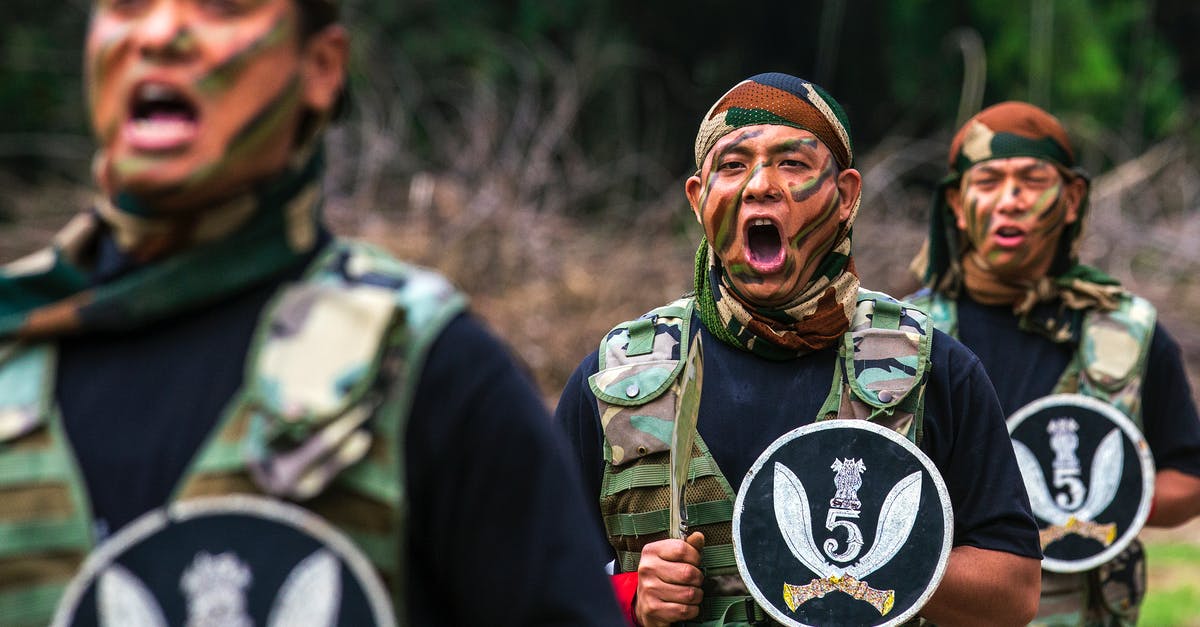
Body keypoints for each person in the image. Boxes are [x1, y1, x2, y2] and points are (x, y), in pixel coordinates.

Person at [0, 1, 623, 625]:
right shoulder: (14, 348)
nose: (160, 34)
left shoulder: (424, 371)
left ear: (321, 67)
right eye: (128, 4)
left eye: (222, 7)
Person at [555, 72, 1041, 627]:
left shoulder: (932, 368)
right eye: (733, 166)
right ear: (698, 198)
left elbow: (1016, 593)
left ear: (846, 197)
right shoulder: (618, 376)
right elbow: (527, 577)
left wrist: (890, 558)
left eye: (794, 165)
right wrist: (628, 597)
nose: (761, 185)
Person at [907, 100, 1200, 625]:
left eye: (1031, 180)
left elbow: (1189, 476)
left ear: (1071, 199)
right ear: (956, 201)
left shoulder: (1128, 332)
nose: (1010, 201)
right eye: (988, 181)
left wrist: (1107, 503)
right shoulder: (900, 339)